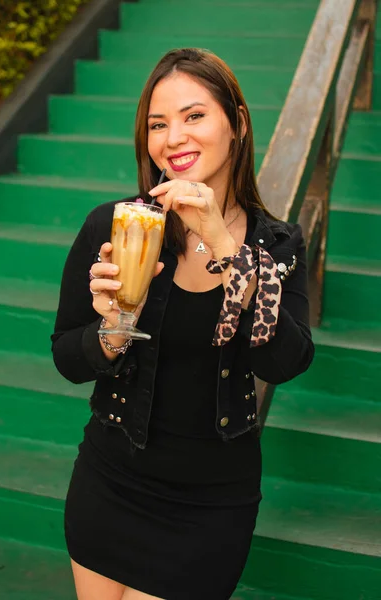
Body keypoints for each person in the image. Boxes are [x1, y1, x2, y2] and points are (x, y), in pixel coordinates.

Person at [51, 47, 315, 600]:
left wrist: (225, 246)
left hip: (209, 506)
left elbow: (283, 360)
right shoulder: (118, 225)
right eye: (158, 124)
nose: (174, 138)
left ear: (236, 123)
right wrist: (113, 325)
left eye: (194, 116)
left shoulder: (275, 243)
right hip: (109, 481)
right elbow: (69, 359)